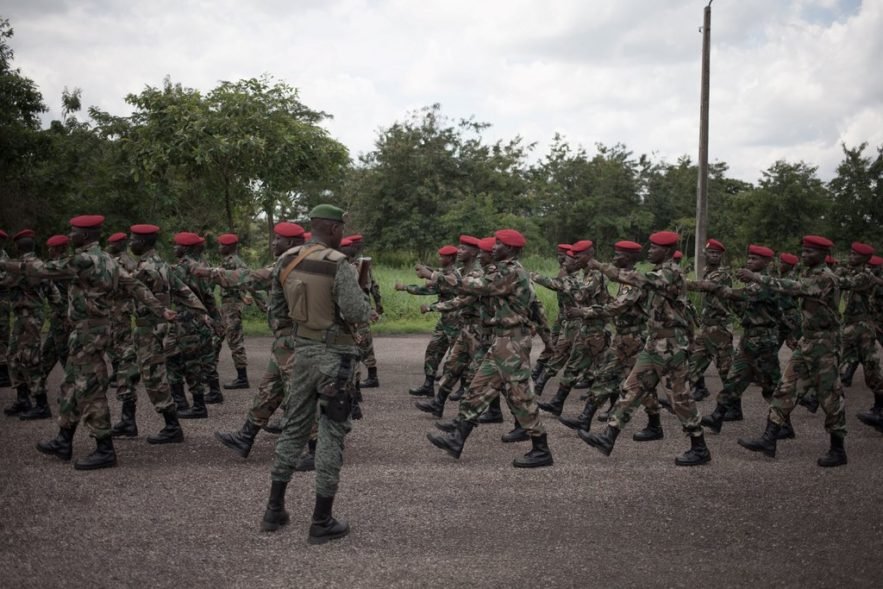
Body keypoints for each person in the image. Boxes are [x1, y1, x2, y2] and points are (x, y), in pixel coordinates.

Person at [1, 215, 176, 470]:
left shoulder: (84, 260)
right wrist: (161, 309)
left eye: (72, 233)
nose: (70, 236)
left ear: (83, 236)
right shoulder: (107, 259)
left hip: (88, 333)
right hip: (94, 330)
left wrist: (5, 265)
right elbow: (133, 284)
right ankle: (64, 439)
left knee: (90, 389)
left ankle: (104, 448)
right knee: (71, 384)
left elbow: (40, 270)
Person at [261, 204, 371, 545]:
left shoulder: (287, 259)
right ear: (335, 230)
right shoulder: (338, 265)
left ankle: (273, 510)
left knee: (293, 428)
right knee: (331, 434)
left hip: (302, 354)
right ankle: (321, 520)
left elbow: (275, 311)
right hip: (334, 359)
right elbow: (357, 313)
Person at [578, 231, 711, 466]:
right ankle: (608, 437)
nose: (648, 251)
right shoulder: (661, 272)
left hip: (671, 345)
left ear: (667, 251)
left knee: (679, 398)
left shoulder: (670, 272)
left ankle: (699, 447)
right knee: (631, 388)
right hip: (654, 343)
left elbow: (634, 279)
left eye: (654, 248)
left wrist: (598, 265)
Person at [424, 229, 553, 468]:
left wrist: (435, 276)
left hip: (513, 343)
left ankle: (541, 450)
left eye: (499, 244)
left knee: (521, 396)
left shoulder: (511, 272)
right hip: (503, 341)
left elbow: (477, 285)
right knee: (477, 387)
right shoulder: (507, 270)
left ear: (512, 249)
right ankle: (457, 439)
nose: (493, 248)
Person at [736, 235, 848, 467]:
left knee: (830, 396)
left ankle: (838, 450)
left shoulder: (827, 278)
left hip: (825, 345)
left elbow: (795, 288)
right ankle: (770, 438)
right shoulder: (809, 274)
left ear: (821, 254)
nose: (804, 255)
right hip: (808, 343)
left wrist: (758, 277)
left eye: (809, 252)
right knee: (785, 388)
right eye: (803, 251)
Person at [202, 222, 306, 459]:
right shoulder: (290, 260)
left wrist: (212, 274)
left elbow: (251, 278)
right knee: (269, 390)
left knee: (298, 395)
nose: (273, 243)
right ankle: (245, 436)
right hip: (283, 341)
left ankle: (310, 448)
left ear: (289, 243)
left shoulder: (293, 262)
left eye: (277, 239)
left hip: (294, 340)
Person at [110, 224, 209, 444]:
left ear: (144, 242)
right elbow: (183, 291)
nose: (130, 243)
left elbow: (126, 287)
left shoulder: (146, 269)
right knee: (126, 371)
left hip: (150, 328)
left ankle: (172, 426)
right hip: (149, 328)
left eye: (134, 239)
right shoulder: (162, 264)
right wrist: (203, 312)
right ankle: (128, 421)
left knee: (153, 378)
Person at [558, 240, 657, 439]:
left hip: (634, 340)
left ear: (628, 258)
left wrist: (583, 312)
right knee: (604, 376)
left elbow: (617, 307)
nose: (613, 258)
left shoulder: (634, 282)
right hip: (623, 339)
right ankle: (585, 418)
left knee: (640, 384)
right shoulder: (625, 281)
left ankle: (655, 425)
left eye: (618, 254)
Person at [694, 245, 783, 436]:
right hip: (749, 338)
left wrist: (715, 287)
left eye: (755, 259)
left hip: (764, 341)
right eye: (749, 258)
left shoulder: (767, 283)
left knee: (771, 387)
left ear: (767, 262)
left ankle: (783, 425)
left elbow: (738, 295)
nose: (749, 262)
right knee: (733, 379)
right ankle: (718, 416)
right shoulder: (753, 281)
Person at [395, 245, 461, 398]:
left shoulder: (454, 275)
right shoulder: (443, 274)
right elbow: (428, 289)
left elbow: (446, 283)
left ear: (450, 258)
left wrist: (429, 275)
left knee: (458, 357)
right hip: (445, 321)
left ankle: (462, 389)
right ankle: (428, 385)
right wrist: (406, 287)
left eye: (442, 257)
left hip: (457, 322)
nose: (440, 259)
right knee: (433, 350)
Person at [1, 230, 47, 418]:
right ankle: (22, 398)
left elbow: (4, 282)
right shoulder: (38, 263)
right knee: (13, 355)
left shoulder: (25, 266)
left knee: (30, 358)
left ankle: (42, 404)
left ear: (19, 247)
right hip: (24, 315)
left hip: (30, 316)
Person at [28, 235, 72, 420]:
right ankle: (38, 398)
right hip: (57, 319)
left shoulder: (60, 266)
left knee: (66, 359)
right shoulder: (63, 263)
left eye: (51, 248)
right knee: (47, 357)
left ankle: (72, 397)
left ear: (57, 249)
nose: (49, 251)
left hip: (63, 319)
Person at [687, 239, 734, 402]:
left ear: (721, 256)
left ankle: (734, 407)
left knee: (725, 369)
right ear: (705, 254)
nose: (714, 256)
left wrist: (680, 282)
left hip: (720, 328)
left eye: (717, 253)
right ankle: (695, 391)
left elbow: (706, 286)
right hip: (707, 326)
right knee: (694, 360)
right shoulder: (707, 270)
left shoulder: (721, 273)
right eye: (711, 253)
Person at [217, 233, 252, 390]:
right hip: (228, 304)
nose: (219, 248)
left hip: (232, 305)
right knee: (222, 337)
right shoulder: (230, 260)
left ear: (229, 247)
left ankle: (242, 378)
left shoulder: (233, 262)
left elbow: (243, 279)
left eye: (222, 245)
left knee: (235, 340)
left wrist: (244, 295)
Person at [0, 229, 11, 388]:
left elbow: (5, 278)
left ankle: (3, 373)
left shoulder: (3, 257)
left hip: (1, 301)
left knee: (2, 334)